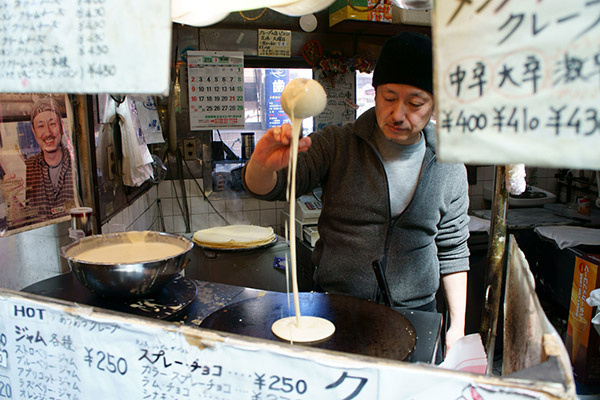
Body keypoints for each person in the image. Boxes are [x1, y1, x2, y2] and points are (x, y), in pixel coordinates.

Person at [243, 32, 470, 355]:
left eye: (415, 103)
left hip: (416, 313)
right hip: (337, 309)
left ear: (434, 104)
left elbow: (453, 250)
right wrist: (262, 163)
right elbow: (269, 186)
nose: (398, 114)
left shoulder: (448, 164)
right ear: (375, 94)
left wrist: (457, 328)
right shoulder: (337, 144)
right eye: (389, 97)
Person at [23, 97, 76, 225]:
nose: (48, 132)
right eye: (40, 126)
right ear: (34, 131)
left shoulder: (77, 164)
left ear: (62, 127)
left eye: (52, 124)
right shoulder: (27, 169)